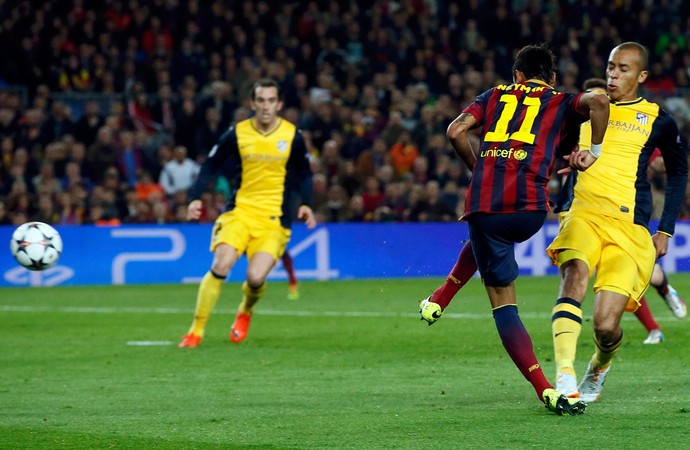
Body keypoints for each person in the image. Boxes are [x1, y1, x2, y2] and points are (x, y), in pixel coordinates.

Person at [422, 43, 610, 415]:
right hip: (531, 210)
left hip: (487, 206)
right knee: (486, 240)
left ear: (517, 76)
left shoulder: (493, 95)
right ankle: (440, 298)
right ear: (552, 78)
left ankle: (545, 389)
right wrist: (595, 152)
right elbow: (600, 104)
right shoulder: (560, 99)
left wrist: (479, 170)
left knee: (503, 301)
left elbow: (456, 131)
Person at [546, 42, 688, 402]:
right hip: (582, 213)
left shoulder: (657, 119)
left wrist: (666, 228)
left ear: (641, 76)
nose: (613, 74)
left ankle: (599, 364)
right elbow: (554, 150)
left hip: (629, 227)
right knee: (574, 273)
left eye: (623, 69)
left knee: (607, 327)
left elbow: (678, 172)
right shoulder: (583, 107)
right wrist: (565, 161)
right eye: (610, 66)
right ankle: (564, 377)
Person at [179, 78, 316, 348]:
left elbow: (304, 173)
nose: (266, 106)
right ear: (253, 103)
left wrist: (306, 203)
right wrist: (195, 198)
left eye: (271, 101)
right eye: (261, 101)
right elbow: (211, 164)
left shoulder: (291, 135)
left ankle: (245, 312)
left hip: (274, 220)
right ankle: (195, 331)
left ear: (279, 104)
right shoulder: (238, 133)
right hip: (239, 212)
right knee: (221, 265)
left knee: (255, 278)